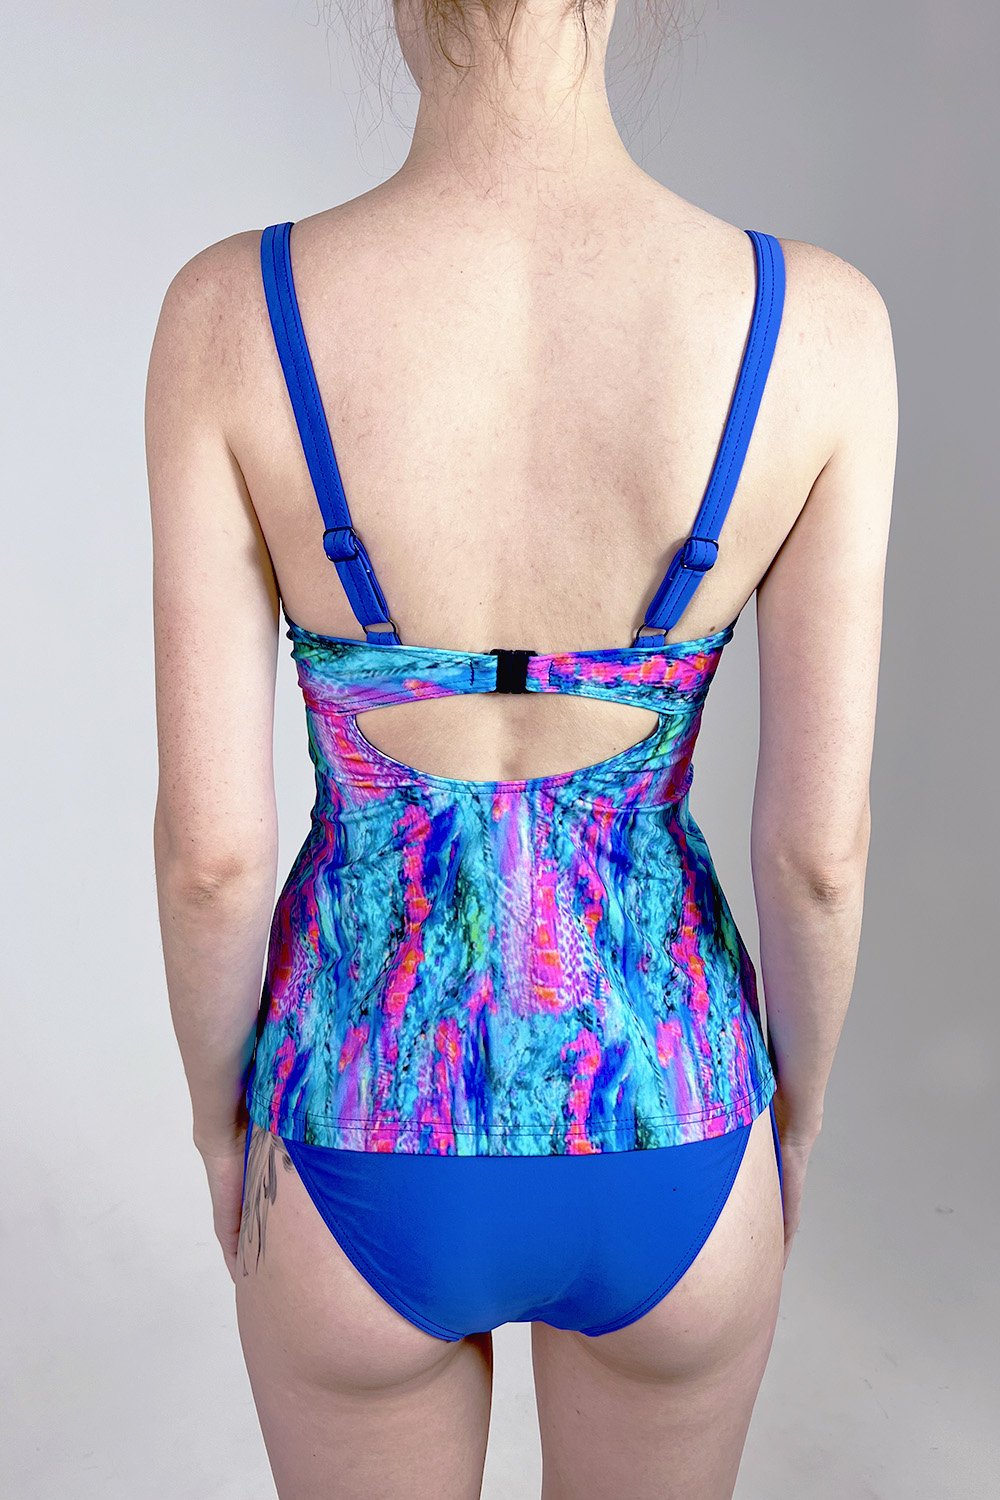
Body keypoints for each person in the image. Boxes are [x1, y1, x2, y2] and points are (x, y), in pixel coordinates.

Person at [146, 0, 896, 1492]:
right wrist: (796, 1118)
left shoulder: (235, 314)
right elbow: (819, 856)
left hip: (355, 1125)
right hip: (674, 1116)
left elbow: (212, 857)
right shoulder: (814, 327)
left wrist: (221, 1131)